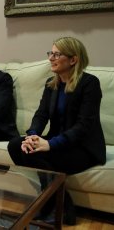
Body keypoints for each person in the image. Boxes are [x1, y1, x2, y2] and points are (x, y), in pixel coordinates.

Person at [7, 37, 106, 225]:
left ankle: (49, 206)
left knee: (41, 156)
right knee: (16, 145)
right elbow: (41, 115)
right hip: (57, 142)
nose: (51, 58)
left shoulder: (90, 84)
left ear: (73, 60)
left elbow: (84, 126)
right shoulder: (51, 84)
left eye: (57, 54)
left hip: (83, 147)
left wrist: (50, 144)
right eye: (50, 53)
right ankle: (61, 205)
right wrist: (32, 136)